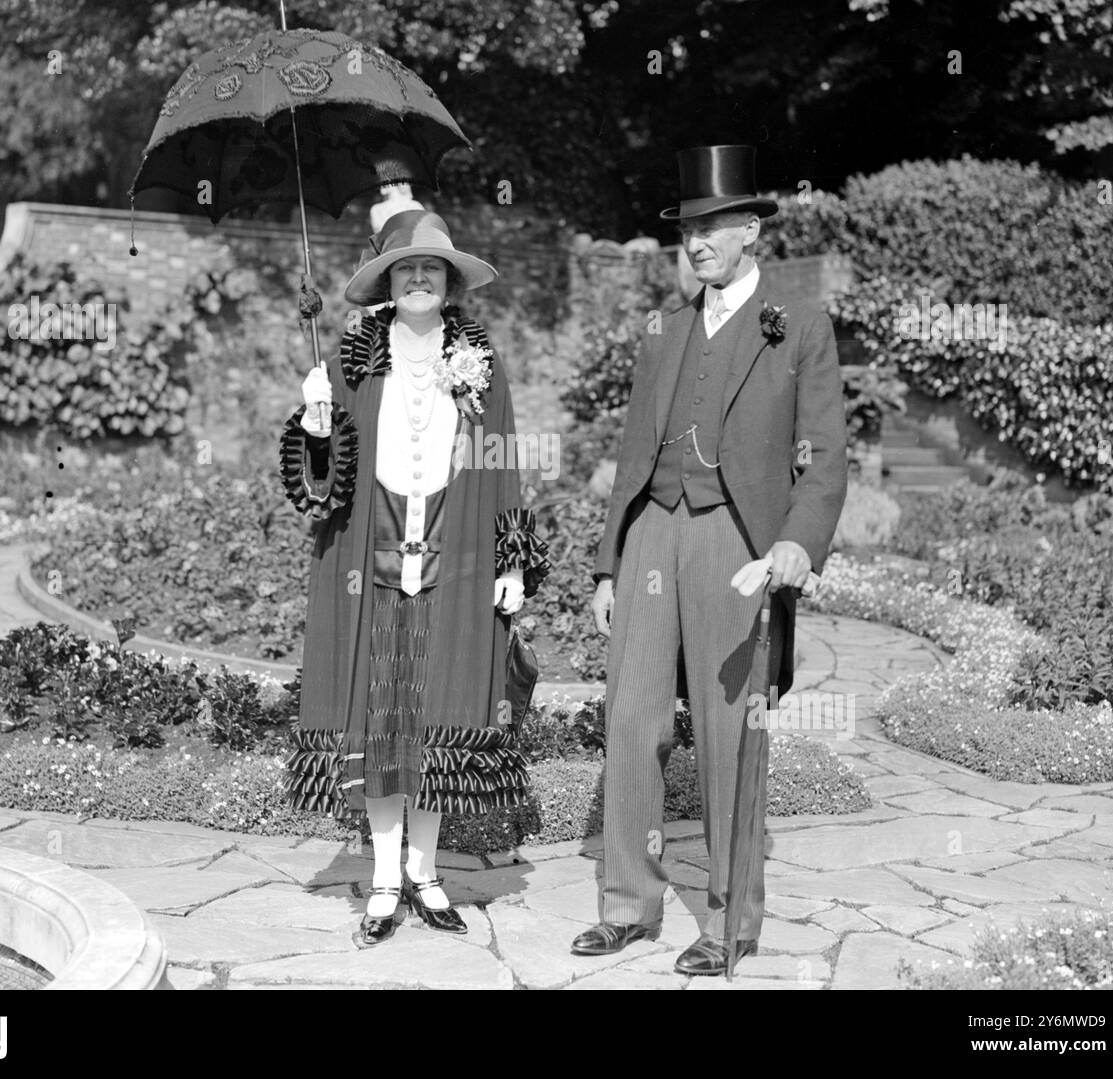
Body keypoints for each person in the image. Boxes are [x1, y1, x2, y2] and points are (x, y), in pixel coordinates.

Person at [573, 145, 848, 975]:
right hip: (656, 525)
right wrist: (608, 565)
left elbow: (826, 455)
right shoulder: (665, 327)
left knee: (732, 733)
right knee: (631, 719)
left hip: (740, 542)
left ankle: (730, 923)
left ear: (751, 231)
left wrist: (797, 542)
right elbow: (630, 452)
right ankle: (627, 904)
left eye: (713, 226)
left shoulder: (799, 325)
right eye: (688, 228)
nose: (696, 242)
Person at [278, 208, 550, 947]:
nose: (421, 278)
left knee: (437, 720)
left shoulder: (481, 363)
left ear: (450, 281)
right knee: (383, 718)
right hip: (374, 556)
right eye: (407, 269)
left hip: (454, 555)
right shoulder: (355, 359)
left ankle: (427, 875)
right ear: (389, 284)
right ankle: (385, 881)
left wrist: (512, 558)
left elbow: (504, 462)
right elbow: (322, 483)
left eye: (433, 268)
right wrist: (313, 420)